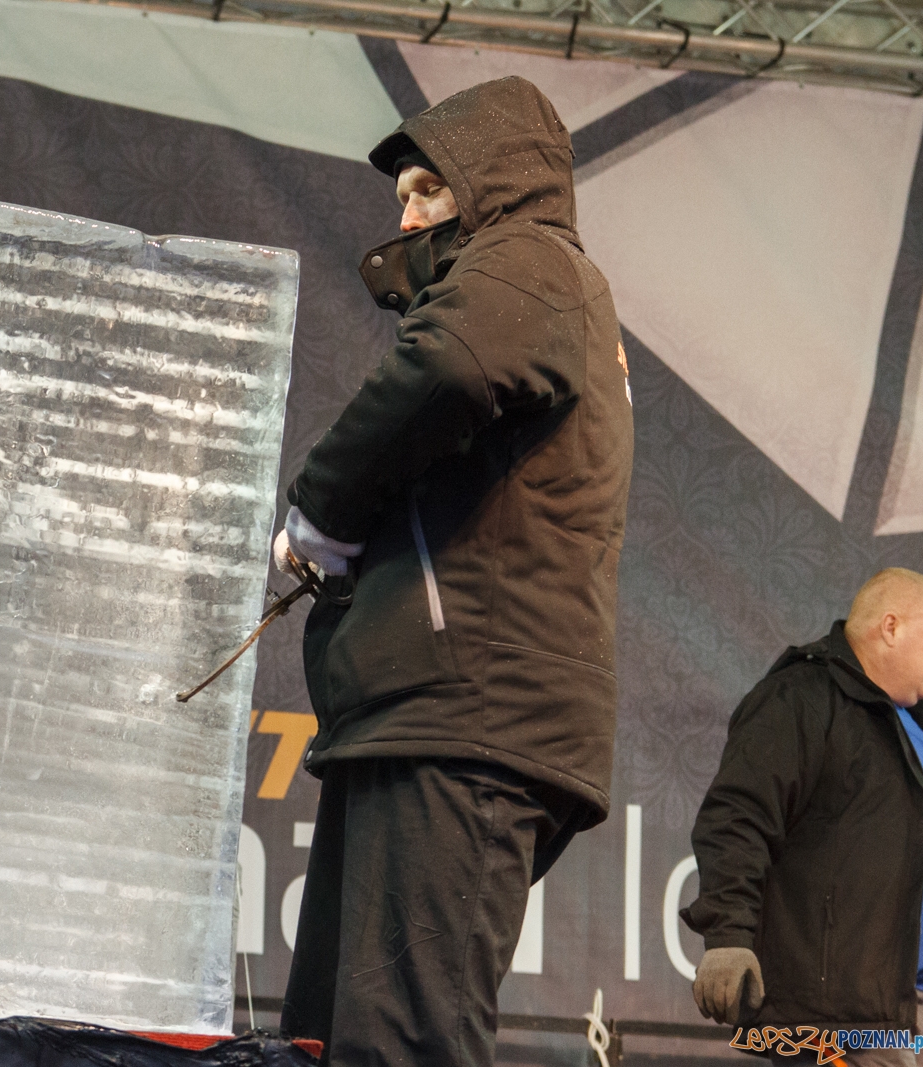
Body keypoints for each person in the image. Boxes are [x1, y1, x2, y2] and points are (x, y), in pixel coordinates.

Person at [274, 76, 634, 1067]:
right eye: (402, 193)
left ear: (491, 184)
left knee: (400, 1041)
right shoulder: (539, 282)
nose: (404, 211)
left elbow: (447, 365)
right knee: (335, 1041)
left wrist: (322, 509)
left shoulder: (530, 259)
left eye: (428, 189)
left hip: (465, 717)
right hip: (432, 715)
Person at [683, 568, 923, 1065]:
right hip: (819, 1028)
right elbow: (737, 816)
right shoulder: (802, 696)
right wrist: (728, 935)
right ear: (891, 627)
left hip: (887, 1022)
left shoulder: (906, 725)